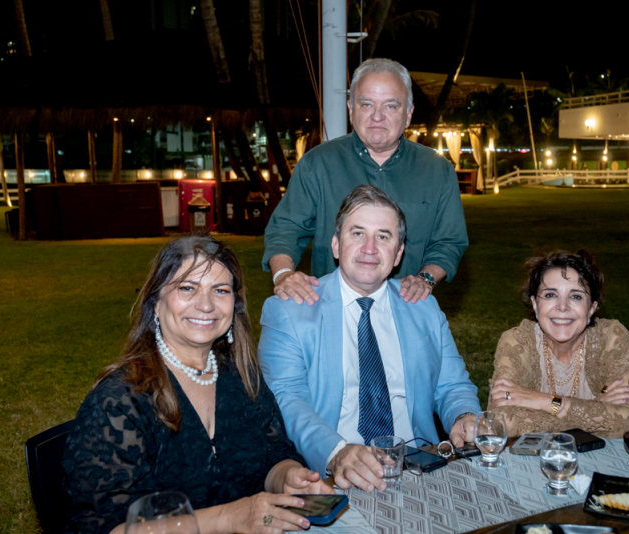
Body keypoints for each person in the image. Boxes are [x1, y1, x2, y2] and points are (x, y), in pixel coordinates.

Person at [62, 237, 333, 534]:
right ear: (155, 301)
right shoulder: (120, 401)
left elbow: (273, 453)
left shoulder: (242, 378)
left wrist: (287, 476)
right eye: (187, 288)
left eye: (220, 290)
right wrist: (231, 518)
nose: (205, 305)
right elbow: (107, 528)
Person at [259, 185, 481, 492]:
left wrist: (464, 415)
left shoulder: (421, 306)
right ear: (336, 246)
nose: (369, 248)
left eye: (383, 236)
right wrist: (337, 453)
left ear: (398, 253)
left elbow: (453, 385)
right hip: (334, 478)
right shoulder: (289, 311)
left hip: (420, 468)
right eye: (357, 233)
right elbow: (287, 401)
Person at [263, 58, 468, 306]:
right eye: (366, 104)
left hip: (405, 306)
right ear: (351, 110)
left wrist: (425, 278)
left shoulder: (438, 171)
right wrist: (284, 274)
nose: (377, 116)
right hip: (329, 307)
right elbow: (286, 228)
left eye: (391, 106)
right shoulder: (317, 164)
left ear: (408, 114)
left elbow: (449, 241)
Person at [488, 250, 629, 439]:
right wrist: (595, 406)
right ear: (536, 305)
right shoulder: (517, 341)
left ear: (591, 309)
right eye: (551, 294)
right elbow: (500, 422)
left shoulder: (611, 337)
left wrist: (544, 401)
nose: (563, 306)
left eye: (576, 296)